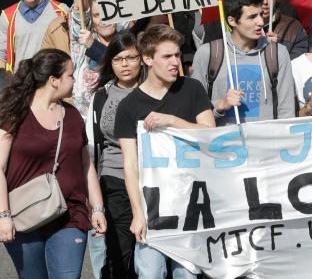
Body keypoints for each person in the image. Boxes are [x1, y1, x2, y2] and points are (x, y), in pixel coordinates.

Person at [115, 25, 214, 279]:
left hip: (191, 203)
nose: (175, 62)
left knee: (186, 275)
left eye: (178, 55)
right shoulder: (128, 106)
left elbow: (210, 136)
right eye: (167, 56)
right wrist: (138, 213)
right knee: (150, 274)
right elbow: (130, 164)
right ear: (147, 59)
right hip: (153, 208)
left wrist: (172, 120)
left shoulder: (193, 89)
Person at [0, 49, 107, 278]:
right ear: (53, 80)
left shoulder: (73, 115)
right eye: (70, 75)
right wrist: (3, 216)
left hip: (70, 215)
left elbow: (86, 165)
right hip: (23, 215)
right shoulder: (14, 113)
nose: (74, 79)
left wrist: (97, 208)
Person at [190, 0, 296, 124]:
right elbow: (194, 110)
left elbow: (286, 112)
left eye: (260, 14)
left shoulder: (277, 53)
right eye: (252, 17)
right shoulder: (208, 53)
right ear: (232, 21)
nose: (260, 22)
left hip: (267, 143)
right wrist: (220, 105)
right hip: (222, 144)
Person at [88, 33, 142, 279]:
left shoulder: (158, 90)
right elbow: (93, 143)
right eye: (118, 58)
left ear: (143, 59)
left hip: (153, 176)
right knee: (120, 247)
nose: (125, 64)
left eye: (131, 57)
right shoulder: (102, 96)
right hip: (114, 175)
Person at [0, 0, 69, 75]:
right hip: (20, 87)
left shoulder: (61, 11)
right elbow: (1, 56)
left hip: (53, 86)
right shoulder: (7, 16)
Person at [245, 0, 310, 59]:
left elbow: (297, 69)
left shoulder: (293, 28)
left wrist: (278, 53)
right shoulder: (239, 28)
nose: (265, 1)